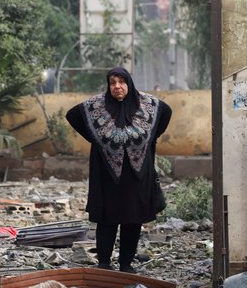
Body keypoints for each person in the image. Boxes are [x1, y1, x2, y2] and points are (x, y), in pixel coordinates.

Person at [66, 67, 172, 273]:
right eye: (113, 83)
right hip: (106, 174)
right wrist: (95, 138)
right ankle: (104, 263)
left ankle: (126, 264)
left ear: (129, 84)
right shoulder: (96, 105)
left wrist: (150, 137)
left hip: (137, 175)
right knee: (107, 218)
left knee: (133, 219)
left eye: (122, 82)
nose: (117, 87)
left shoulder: (146, 104)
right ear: (108, 86)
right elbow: (73, 115)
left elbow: (166, 112)